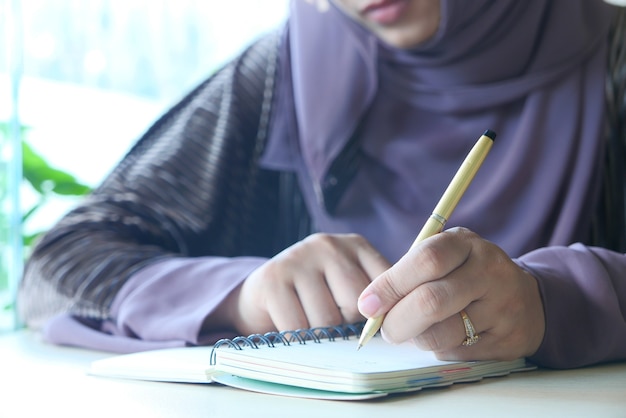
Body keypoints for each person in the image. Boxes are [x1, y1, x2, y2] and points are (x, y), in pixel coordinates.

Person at [18, 0, 626, 369]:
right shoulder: (289, 69)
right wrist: (241, 297)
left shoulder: (613, 59)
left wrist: (554, 303)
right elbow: (56, 269)